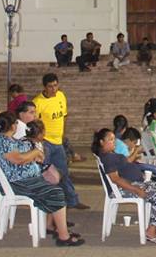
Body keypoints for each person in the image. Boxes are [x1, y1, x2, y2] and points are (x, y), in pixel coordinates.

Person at [0, 112, 84, 247]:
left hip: (24, 180)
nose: (17, 125)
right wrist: (35, 153)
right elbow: (17, 159)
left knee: (55, 185)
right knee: (56, 192)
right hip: (17, 183)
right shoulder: (1, 140)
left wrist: (32, 156)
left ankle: (51, 226)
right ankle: (63, 237)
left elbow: (20, 156)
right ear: (11, 126)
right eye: (15, 123)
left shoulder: (7, 139)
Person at [94, 128, 156, 244]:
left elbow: (127, 163)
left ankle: (154, 227)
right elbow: (115, 179)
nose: (114, 142)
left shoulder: (110, 154)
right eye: (110, 140)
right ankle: (151, 230)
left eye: (114, 139)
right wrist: (136, 189)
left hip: (133, 183)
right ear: (101, 142)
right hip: (125, 188)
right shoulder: (108, 158)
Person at [33, 73, 87, 209]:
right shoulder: (38, 102)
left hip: (58, 141)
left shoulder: (61, 96)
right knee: (46, 174)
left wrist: (63, 135)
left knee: (63, 172)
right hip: (45, 142)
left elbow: (64, 117)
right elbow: (35, 124)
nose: (53, 89)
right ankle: (47, 202)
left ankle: (72, 200)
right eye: (50, 87)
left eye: (55, 85)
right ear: (44, 87)